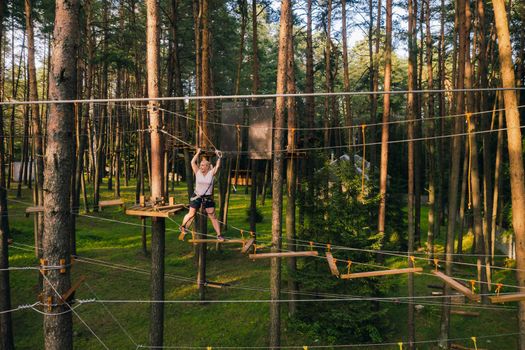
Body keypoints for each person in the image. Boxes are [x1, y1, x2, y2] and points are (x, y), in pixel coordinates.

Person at [180, 148, 224, 240]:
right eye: (201, 165)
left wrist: (218, 156)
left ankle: (219, 235)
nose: (201, 167)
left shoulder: (211, 173)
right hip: (197, 196)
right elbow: (192, 162)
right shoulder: (198, 172)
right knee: (191, 214)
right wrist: (198, 153)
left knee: (212, 216)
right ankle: (183, 226)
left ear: (208, 166)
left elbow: (218, 166)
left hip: (207, 197)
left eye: (203, 165)